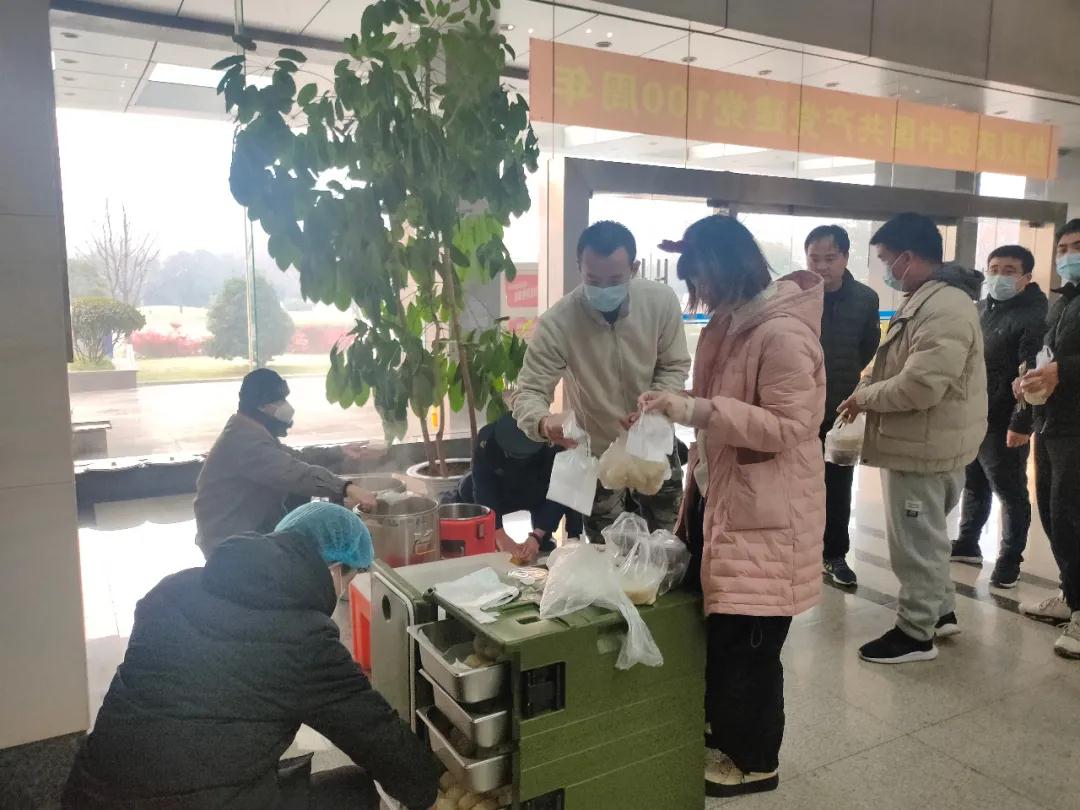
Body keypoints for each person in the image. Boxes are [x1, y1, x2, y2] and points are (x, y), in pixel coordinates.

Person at [63, 502, 440, 809]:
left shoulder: (173, 591)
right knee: (358, 791)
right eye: (349, 578)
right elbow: (374, 734)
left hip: (89, 795)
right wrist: (430, 791)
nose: (342, 590)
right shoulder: (304, 642)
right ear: (333, 569)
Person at [640, 215, 826, 798]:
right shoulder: (729, 322)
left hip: (765, 515)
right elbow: (714, 403)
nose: (700, 290)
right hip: (720, 498)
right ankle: (724, 732)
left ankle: (754, 761)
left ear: (728, 266)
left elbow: (791, 425)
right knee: (723, 634)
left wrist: (696, 411)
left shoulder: (783, 333)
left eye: (701, 276)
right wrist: (672, 404)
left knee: (751, 644)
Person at [839, 212, 986, 664]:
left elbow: (921, 386)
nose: (886, 268)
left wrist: (865, 398)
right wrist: (868, 382)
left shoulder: (943, 307)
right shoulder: (928, 298)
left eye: (887, 259)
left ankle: (915, 633)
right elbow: (896, 361)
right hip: (928, 441)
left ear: (907, 257)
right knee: (929, 538)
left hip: (922, 445)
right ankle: (940, 612)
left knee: (915, 547)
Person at [512, 220, 691, 542]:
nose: (604, 289)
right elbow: (529, 390)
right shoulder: (559, 322)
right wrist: (542, 422)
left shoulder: (660, 302)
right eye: (593, 280)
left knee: (669, 539)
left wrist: (655, 402)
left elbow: (674, 364)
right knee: (605, 546)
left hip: (655, 441)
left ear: (634, 268)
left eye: (615, 279)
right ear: (579, 267)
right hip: (597, 450)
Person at [194, 368, 377, 557]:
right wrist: (347, 488)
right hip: (230, 545)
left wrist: (339, 452)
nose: (286, 407)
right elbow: (294, 473)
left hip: (248, 530)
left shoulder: (249, 430)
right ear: (261, 405)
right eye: (279, 401)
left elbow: (296, 457)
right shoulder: (244, 441)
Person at [950, 245, 1047, 588]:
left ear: (1026, 277)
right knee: (974, 481)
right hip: (975, 414)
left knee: (1009, 490)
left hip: (1005, 419)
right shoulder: (981, 309)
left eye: (1009, 271)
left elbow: (1032, 375)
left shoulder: (1035, 316)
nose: (998, 276)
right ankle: (967, 542)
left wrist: (1021, 423)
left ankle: (1009, 559)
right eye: (993, 269)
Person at [1017, 219, 1080, 659]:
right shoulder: (1063, 302)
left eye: (1077, 246)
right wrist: (1030, 376)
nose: (1068, 255)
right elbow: (1050, 354)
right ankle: (1071, 594)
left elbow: (1066, 364)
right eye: (1063, 248)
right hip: (1051, 421)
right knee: (1055, 514)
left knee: (1073, 516)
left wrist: (1065, 370)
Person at [805, 224, 881, 587]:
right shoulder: (796, 296)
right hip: (797, 408)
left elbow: (868, 346)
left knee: (838, 485)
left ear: (846, 257)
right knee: (795, 484)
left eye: (830, 258)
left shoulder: (865, 299)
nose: (821, 266)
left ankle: (834, 554)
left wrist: (845, 378)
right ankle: (797, 550)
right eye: (814, 258)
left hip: (840, 411)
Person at [441, 413, 583, 563]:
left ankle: (550, 541)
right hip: (502, 490)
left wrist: (537, 536)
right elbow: (483, 488)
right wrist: (499, 535)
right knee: (467, 489)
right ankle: (484, 540)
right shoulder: (487, 440)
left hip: (537, 488)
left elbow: (561, 491)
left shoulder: (555, 443)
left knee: (571, 488)